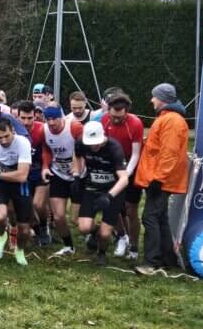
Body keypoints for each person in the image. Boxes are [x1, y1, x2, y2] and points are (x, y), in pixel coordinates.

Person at [134, 83, 188, 276]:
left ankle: (151, 262)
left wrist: (158, 179)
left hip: (160, 180)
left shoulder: (171, 121)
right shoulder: (168, 118)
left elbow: (169, 152)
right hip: (159, 178)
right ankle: (167, 258)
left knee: (149, 217)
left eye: (154, 97)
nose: (151, 100)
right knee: (161, 218)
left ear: (163, 99)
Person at [75, 121, 129, 267]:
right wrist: (77, 175)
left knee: (105, 234)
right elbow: (77, 156)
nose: (94, 147)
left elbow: (124, 179)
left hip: (113, 190)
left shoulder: (114, 148)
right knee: (83, 227)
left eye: (97, 143)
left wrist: (109, 196)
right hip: (91, 188)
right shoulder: (80, 143)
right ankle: (94, 232)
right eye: (90, 144)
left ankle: (101, 253)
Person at [0, 117, 33, 266]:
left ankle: (19, 250)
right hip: (1, 182)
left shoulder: (23, 143)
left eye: (6, 136)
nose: (3, 141)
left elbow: (22, 175)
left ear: (13, 131)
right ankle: (2, 235)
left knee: (24, 229)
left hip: (18, 183)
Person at [100, 91, 144, 259]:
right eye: (113, 116)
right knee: (112, 204)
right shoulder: (104, 120)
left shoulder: (135, 123)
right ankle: (121, 236)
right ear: (108, 110)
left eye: (120, 117)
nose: (116, 120)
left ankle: (134, 246)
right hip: (112, 167)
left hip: (130, 168)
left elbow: (135, 153)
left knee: (131, 209)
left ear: (127, 112)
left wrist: (127, 173)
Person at [41, 105, 84, 256]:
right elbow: (46, 149)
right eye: (48, 119)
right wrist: (45, 167)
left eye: (55, 119)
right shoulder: (44, 130)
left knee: (76, 220)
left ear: (62, 117)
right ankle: (68, 246)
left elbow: (84, 150)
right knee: (58, 216)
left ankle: (96, 232)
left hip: (78, 176)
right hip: (58, 174)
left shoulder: (75, 127)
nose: (51, 123)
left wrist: (78, 169)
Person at [14, 100, 51, 246]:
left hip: (40, 171)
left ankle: (44, 227)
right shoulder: (13, 131)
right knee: (26, 205)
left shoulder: (42, 129)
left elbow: (48, 150)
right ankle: (35, 227)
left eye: (30, 118)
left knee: (38, 204)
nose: (26, 122)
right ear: (17, 117)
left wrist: (46, 167)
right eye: (23, 118)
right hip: (23, 173)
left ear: (35, 116)